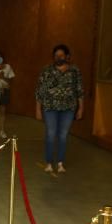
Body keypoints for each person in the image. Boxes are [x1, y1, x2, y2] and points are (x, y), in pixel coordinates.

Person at [34, 44, 84, 174]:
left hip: (68, 108)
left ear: (67, 56)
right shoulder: (47, 70)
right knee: (51, 134)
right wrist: (38, 109)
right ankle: (49, 162)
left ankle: (60, 162)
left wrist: (80, 109)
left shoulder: (74, 71)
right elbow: (40, 91)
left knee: (63, 135)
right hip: (50, 107)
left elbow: (79, 90)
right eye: (56, 55)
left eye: (61, 55)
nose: (58, 58)